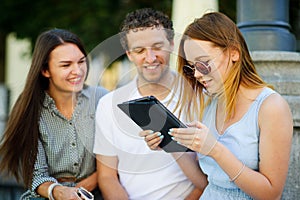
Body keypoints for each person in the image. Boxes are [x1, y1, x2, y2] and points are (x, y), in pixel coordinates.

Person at [142, 12, 293, 199]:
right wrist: (169, 142)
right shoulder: (209, 102)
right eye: (192, 66)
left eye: (203, 63)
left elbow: (271, 193)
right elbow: (206, 181)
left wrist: (215, 149)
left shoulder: (271, 107)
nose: (196, 74)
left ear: (234, 53)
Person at [93, 8, 206, 200]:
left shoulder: (200, 96)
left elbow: (211, 177)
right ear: (129, 54)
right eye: (140, 51)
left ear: (171, 44)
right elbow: (107, 177)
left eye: (157, 47)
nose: (151, 58)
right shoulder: (108, 105)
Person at [0, 28, 108, 199]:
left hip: (96, 194)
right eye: (66, 65)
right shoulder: (31, 111)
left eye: (81, 62)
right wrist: (60, 192)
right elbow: (37, 176)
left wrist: (84, 188)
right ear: (45, 70)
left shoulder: (102, 99)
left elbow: (115, 159)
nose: (78, 71)